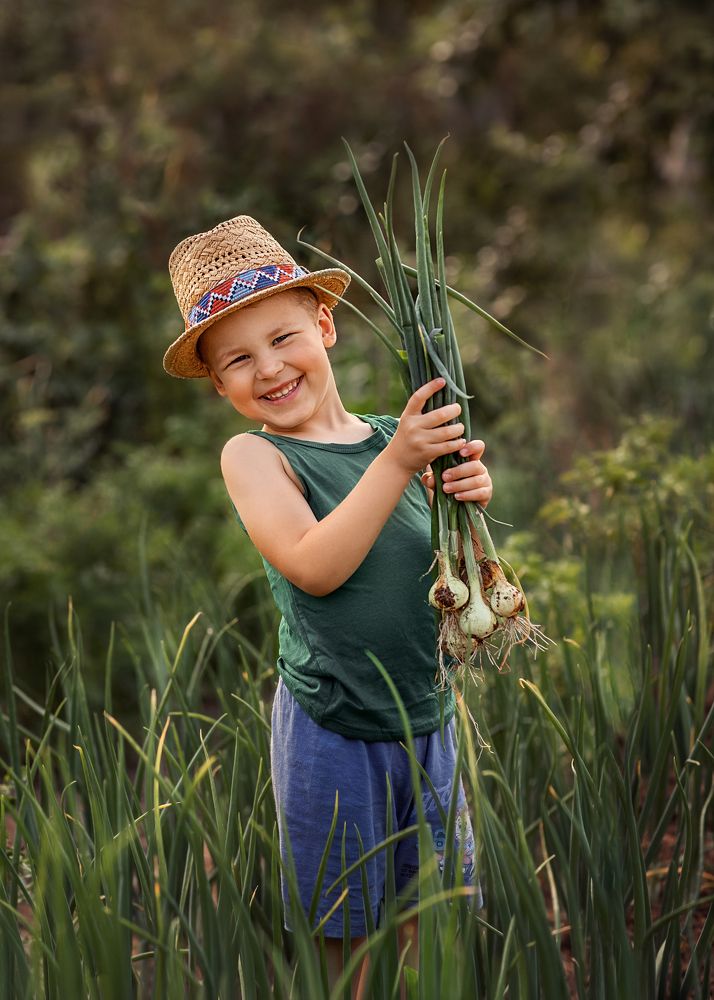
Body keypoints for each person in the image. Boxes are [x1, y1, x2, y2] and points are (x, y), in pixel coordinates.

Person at [163, 215, 492, 998]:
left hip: (428, 715)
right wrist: (401, 460)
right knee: (347, 932)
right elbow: (315, 566)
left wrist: (471, 499)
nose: (268, 369)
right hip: (334, 730)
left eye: (283, 338)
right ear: (219, 384)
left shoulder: (391, 434)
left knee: (432, 919)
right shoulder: (257, 455)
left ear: (325, 324)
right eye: (238, 360)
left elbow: (455, 569)